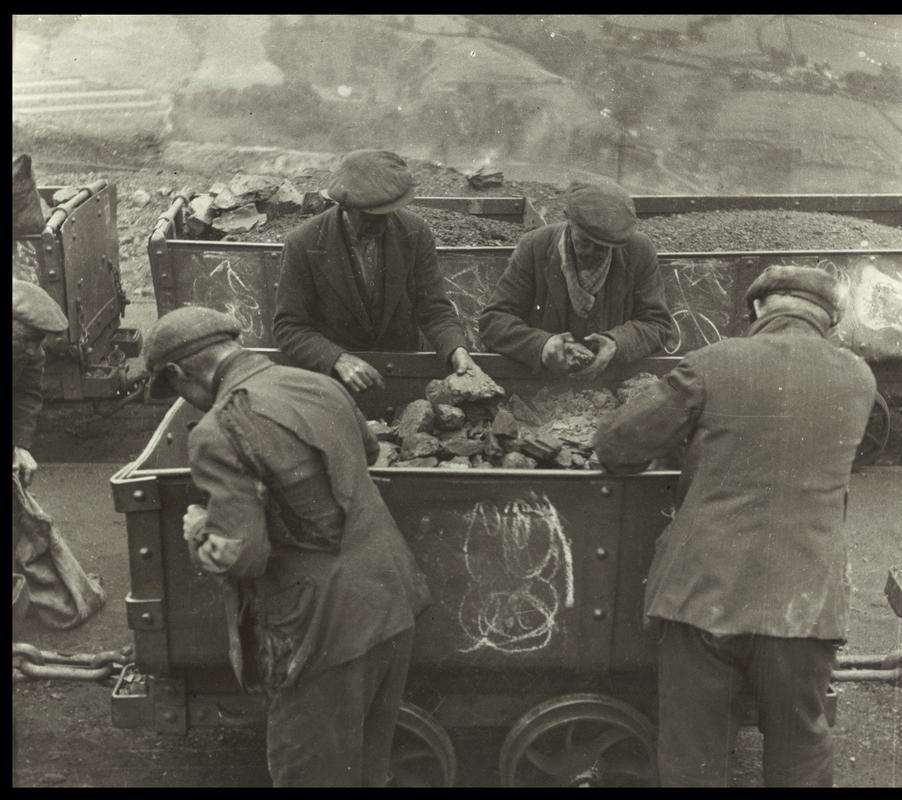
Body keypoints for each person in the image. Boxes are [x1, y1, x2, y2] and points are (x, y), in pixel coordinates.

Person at [593, 266, 877, 787]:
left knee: (694, 756)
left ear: (758, 309)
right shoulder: (859, 376)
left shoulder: (713, 363)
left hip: (704, 596)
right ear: (828, 321)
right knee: (801, 748)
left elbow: (617, 445)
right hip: (805, 604)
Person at [142, 305, 431, 787]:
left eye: (174, 388)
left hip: (321, 633)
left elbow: (242, 555)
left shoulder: (219, 430)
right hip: (391, 601)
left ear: (179, 373)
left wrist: (198, 527)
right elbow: (369, 452)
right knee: (366, 772)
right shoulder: (317, 383)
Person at [273, 148, 487, 392]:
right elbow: (288, 327)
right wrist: (337, 359)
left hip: (399, 373)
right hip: (335, 384)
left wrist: (456, 350)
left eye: (388, 213)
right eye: (371, 216)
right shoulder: (303, 243)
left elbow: (434, 309)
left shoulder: (415, 232)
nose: (383, 223)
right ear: (345, 207)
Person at [478, 179, 674, 378]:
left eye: (602, 247)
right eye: (584, 241)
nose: (590, 252)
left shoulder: (638, 251)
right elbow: (494, 320)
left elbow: (657, 324)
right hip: (543, 384)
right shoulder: (535, 246)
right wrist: (542, 345)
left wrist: (616, 343)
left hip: (609, 383)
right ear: (568, 219)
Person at [13, 278, 69, 487]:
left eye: (38, 341)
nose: (33, 349)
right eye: (25, 339)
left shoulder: (31, 354)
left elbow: (26, 395)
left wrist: (20, 445)